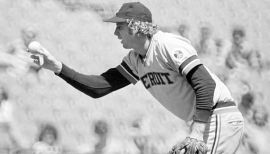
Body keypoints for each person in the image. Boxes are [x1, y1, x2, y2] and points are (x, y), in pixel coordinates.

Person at [27, 2, 244, 154]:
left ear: (134, 26)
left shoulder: (167, 44)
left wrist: (196, 132)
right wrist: (57, 67)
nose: (115, 33)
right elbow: (99, 87)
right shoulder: (135, 60)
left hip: (218, 118)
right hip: (204, 123)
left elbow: (205, 84)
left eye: (119, 27)